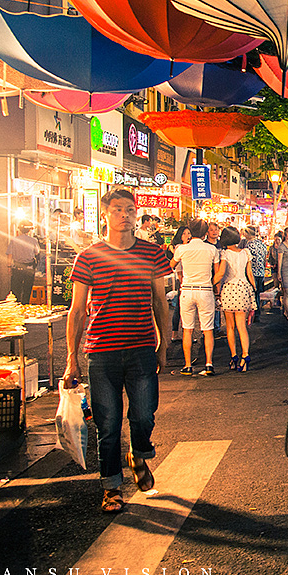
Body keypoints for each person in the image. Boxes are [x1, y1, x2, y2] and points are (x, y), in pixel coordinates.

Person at [62, 188, 170, 513]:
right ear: (105, 213)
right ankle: (111, 487)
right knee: (106, 424)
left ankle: (139, 455)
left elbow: (161, 302)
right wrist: (71, 359)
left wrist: (164, 345)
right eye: (118, 209)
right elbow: (77, 310)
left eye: (130, 209)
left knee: (143, 415)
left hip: (141, 348)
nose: (125, 215)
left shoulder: (152, 254)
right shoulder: (89, 256)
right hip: (101, 352)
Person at [171, 219, 220, 376]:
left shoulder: (182, 249)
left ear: (191, 232)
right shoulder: (212, 250)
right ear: (205, 232)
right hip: (205, 290)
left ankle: (187, 365)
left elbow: (170, 265)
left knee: (187, 329)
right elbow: (218, 273)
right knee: (208, 329)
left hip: (187, 290)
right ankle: (209, 364)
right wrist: (213, 286)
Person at [213, 227, 255, 372]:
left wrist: (211, 282)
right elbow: (250, 274)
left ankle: (234, 356)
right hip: (243, 288)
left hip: (229, 289)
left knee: (230, 327)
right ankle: (246, 356)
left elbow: (221, 273)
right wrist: (254, 289)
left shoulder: (225, 254)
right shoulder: (245, 252)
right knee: (242, 327)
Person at [7, 221, 40, 304]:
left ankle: (16, 305)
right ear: (29, 230)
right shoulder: (33, 240)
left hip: (17, 267)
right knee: (27, 289)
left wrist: (9, 267)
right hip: (29, 268)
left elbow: (9, 255)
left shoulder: (14, 240)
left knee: (16, 288)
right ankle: (25, 305)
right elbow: (37, 252)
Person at [168, 225, 192, 336]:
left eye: (188, 233)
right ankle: (175, 333)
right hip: (182, 280)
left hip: (189, 279)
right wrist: (181, 280)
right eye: (184, 233)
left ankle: (182, 333)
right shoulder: (179, 248)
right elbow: (178, 267)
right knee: (179, 307)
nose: (187, 235)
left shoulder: (190, 247)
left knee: (185, 308)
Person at [244, 227, 268, 322]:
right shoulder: (262, 244)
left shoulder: (248, 245)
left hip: (252, 273)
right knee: (257, 294)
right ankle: (257, 314)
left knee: (252, 295)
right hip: (261, 272)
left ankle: (252, 315)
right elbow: (265, 259)